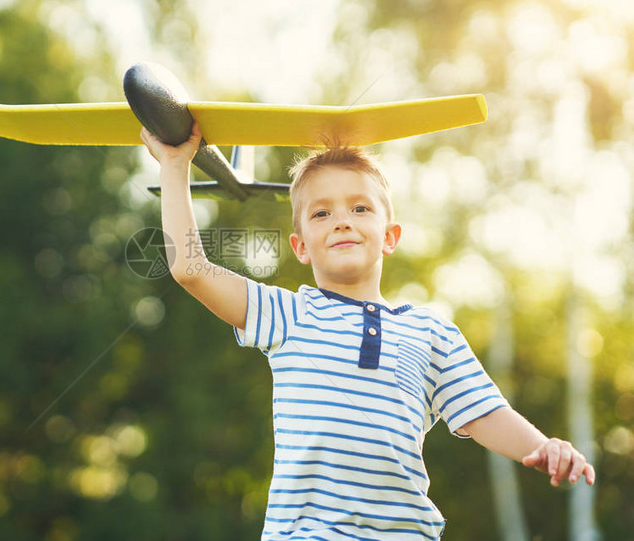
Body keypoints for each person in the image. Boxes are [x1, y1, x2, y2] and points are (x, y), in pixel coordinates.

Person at [140, 123, 596, 540]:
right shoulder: (288, 315)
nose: (342, 220)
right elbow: (191, 269)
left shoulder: (431, 332)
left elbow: (484, 413)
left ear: (389, 235)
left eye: (360, 208)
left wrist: (542, 447)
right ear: (300, 247)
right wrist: (175, 166)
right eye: (320, 214)